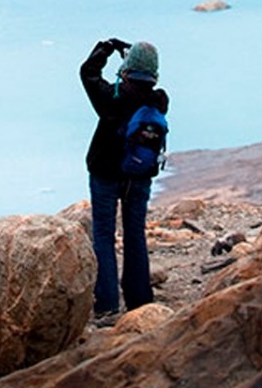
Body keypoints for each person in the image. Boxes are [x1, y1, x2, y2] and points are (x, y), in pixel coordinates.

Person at [81, 37, 169, 316]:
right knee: (135, 235)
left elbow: (88, 73)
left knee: (104, 237)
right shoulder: (159, 100)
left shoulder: (111, 97)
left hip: (105, 174)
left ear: (127, 68)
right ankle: (140, 300)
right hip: (140, 176)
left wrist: (106, 47)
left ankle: (107, 305)